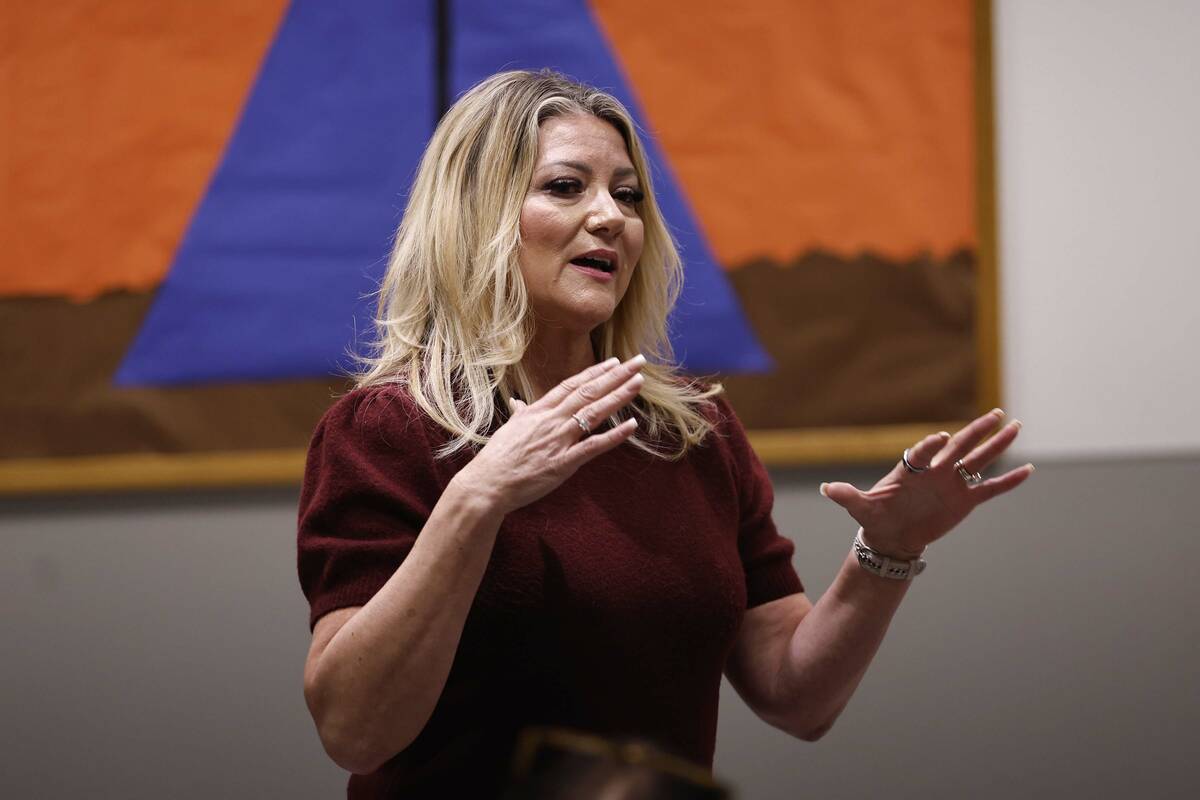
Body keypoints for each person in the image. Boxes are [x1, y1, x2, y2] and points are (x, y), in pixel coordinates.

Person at [297, 69, 1032, 798]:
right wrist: (478, 498)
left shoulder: (693, 432)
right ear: (476, 214)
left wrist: (888, 551)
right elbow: (355, 731)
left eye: (627, 194)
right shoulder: (388, 430)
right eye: (564, 187)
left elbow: (796, 696)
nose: (610, 217)